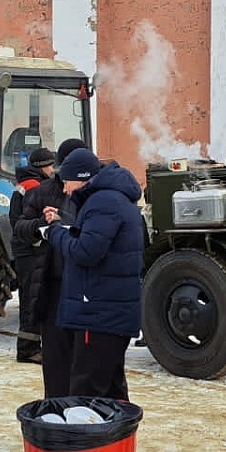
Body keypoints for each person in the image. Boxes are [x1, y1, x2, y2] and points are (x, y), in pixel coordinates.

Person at [45, 147, 143, 400]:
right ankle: (119, 438)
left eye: (66, 182)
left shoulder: (102, 202)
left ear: (80, 177)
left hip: (97, 315)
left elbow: (86, 252)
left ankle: (89, 440)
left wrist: (54, 232)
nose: (65, 190)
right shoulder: (116, 199)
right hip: (110, 313)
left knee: (87, 393)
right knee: (111, 389)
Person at [12, 138, 89, 397]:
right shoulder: (41, 192)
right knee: (56, 360)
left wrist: (63, 220)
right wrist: (39, 226)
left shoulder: (93, 195)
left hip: (83, 287)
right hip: (52, 284)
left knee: (84, 360)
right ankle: (56, 408)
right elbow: (20, 227)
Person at [10, 146, 56, 364]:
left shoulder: (25, 184)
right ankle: (27, 349)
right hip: (30, 249)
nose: (54, 169)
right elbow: (29, 221)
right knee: (31, 299)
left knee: (30, 297)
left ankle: (30, 346)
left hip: (25, 247)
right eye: (51, 165)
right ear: (42, 167)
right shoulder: (35, 187)